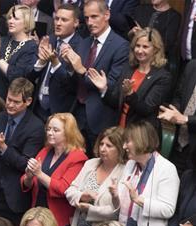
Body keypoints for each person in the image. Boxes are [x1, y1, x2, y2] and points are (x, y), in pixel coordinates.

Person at [116, 121, 179, 226]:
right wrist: (114, 194)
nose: (124, 146)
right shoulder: (131, 164)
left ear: (140, 140)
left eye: (128, 141)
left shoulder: (166, 169)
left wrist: (139, 200)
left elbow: (168, 209)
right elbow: (121, 201)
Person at [0, 77, 44, 226]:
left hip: (13, 198)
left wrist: (3, 148)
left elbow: (26, 164)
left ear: (27, 102)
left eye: (16, 102)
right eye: (8, 99)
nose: (10, 104)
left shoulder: (36, 127)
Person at [20, 113, 88, 226]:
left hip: (57, 221)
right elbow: (27, 182)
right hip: (36, 213)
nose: (50, 133)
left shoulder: (77, 157)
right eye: (48, 129)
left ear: (68, 132)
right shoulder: (46, 151)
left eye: (55, 130)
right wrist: (28, 177)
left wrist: (39, 174)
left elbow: (64, 189)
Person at [68, 0, 129, 150]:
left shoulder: (121, 46)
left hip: (100, 117)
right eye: (87, 18)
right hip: (76, 112)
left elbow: (112, 87)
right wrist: (69, 67)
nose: (89, 22)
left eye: (94, 16)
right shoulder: (84, 42)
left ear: (107, 14)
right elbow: (74, 79)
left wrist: (81, 70)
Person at [91, 28, 171, 134]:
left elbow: (146, 109)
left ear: (156, 49)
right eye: (137, 46)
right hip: (119, 131)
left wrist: (130, 94)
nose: (139, 50)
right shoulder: (128, 69)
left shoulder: (162, 77)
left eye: (145, 47)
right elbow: (115, 102)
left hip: (141, 135)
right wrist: (104, 89)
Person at [64, 126, 126, 226]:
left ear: (120, 149)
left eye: (109, 146)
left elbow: (117, 211)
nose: (103, 149)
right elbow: (70, 190)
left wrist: (90, 209)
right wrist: (81, 196)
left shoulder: (125, 172)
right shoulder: (91, 164)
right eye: (102, 144)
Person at [31, 5, 85, 121]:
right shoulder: (48, 40)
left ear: (76, 23)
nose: (58, 23)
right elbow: (30, 76)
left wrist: (55, 63)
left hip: (61, 113)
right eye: (57, 19)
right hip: (37, 109)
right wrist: (41, 62)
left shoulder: (81, 47)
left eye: (64, 20)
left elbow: (72, 86)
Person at [0, 5, 37, 99]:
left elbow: (16, 76)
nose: (10, 21)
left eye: (16, 18)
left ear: (26, 23)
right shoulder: (3, 40)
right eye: (10, 18)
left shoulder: (31, 46)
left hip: (12, 100)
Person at [159, 59, 196, 171]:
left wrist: (186, 119)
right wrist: (174, 112)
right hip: (178, 143)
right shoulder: (192, 66)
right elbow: (179, 95)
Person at [133, 0, 180, 74]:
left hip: (156, 61)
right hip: (135, 55)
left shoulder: (174, 16)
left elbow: (167, 44)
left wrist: (143, 35)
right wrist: (132, 32)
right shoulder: (140, 9)